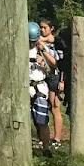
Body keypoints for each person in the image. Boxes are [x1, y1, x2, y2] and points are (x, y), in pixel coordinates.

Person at [56, 26, 84, 155]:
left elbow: (57, 64)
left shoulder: (71, 56)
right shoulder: (78, 53)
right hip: (82, 90)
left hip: (82, 91)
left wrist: (44, 50)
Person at [28, 22, 55, 157]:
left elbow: (53, 66)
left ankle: (46, 148)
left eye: (33, 41)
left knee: (42, 120)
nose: (31, 44)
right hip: (25, 87)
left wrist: (43, 62)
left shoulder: (42, 50)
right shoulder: (19, 49)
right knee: (25, 119)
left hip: (39, 87)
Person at [38, 18, 63, 146]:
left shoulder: (56, 42)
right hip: (43, 76)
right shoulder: (39, 40)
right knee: (44, 106)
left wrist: (62, 80)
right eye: (40, 27)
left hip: (55, 76)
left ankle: (57, 138)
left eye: (45, 27)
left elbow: (57, 63)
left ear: (51, 28)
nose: (42, 30)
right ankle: (44, 136)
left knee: (55, 107)